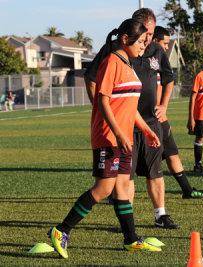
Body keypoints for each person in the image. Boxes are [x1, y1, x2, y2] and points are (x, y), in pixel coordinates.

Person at [48, 19, 162, 259]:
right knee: (103, 188)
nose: (144, 45)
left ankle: (131, 240)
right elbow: (103, 100)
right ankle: (61, 231)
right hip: (109, 137)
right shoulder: (111, 62)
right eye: (141, 41)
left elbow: (129, 109)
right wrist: (119, 133)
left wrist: (147, 129)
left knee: (122, 188)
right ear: (125, 40)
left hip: (124, 138)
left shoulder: (129, 65)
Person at [84, 8, 180, 229]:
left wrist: (163, 106)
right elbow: (95, 85)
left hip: (147, 122)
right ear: (133, 30)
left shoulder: (155, 50)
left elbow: (168, 79)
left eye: (152, 32)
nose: (148, 38)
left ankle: (158, 217)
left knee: (154, 172)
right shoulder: (115, 55)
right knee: (119, 181)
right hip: (121, 128)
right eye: (146, 32)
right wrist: (103, 112)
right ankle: (125, 224)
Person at [152, 26, 203, 198]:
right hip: (144, 120)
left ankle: (187, 190)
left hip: (161, 118)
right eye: (164, 43)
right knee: (133, 162)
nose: (166, 47)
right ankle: (113, 193)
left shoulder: (161, 62)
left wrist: (163, 106)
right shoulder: (141, 60)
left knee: (172, 153)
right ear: (154, 41)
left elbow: (168, 82)